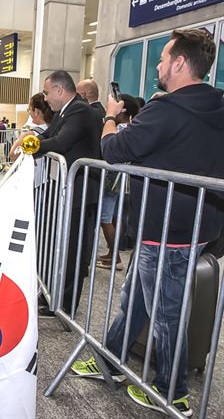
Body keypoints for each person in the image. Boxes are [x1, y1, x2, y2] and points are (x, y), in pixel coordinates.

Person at [72, 28, 224, 416]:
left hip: (163, 230)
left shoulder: (166, 108)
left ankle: (171, 391)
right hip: (197, 228)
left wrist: (109, 116)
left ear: (178, 63)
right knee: (136, 298)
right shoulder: (218, 105)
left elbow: (114, 150)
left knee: (168, 311)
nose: (157, 64)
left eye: (162, 57)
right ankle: (111, 359)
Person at [17, 70, 102, 316]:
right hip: (68, 191)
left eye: (47, 92)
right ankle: (55, 296)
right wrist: (31, 136)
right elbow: (49, 134)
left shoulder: (79, 110)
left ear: (59, 91)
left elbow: (61, 143)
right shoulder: (65, 111)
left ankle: (65, 305)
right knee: (60, 246)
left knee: (73, 250)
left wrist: (28, 146)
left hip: (80, 192)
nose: (46, 98)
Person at [95, 94, 139, 271]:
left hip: (112, 180)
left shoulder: (120, 128)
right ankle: (112, 253)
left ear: (123, 109)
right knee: (111, 217)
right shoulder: (130, 127)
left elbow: (110, 149)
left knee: (105, 218)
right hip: (116, 180)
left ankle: (115, 257)